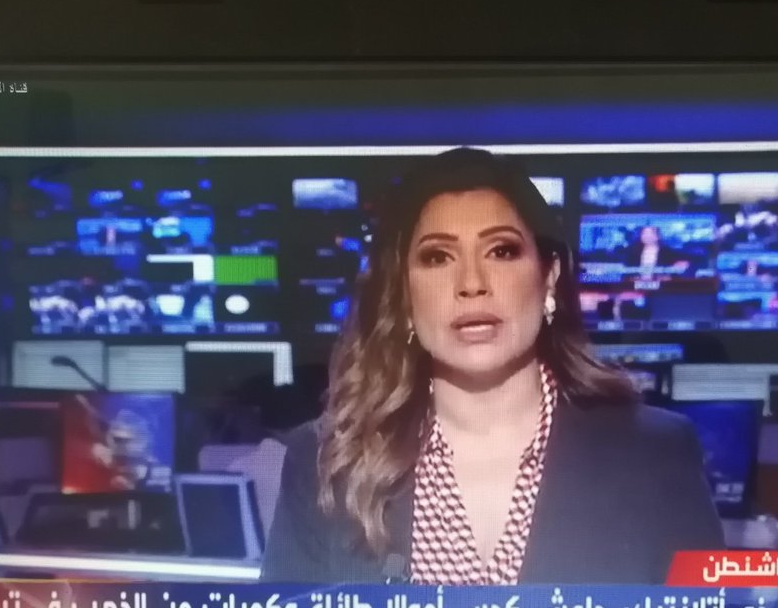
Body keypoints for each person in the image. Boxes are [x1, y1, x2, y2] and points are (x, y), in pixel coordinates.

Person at [263, 148, 723, 585]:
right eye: (437, 257)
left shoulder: (655, 454)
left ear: (548, 278)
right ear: (402, 294)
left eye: (501, 251)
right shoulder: (325, 464)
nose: (472, 283)